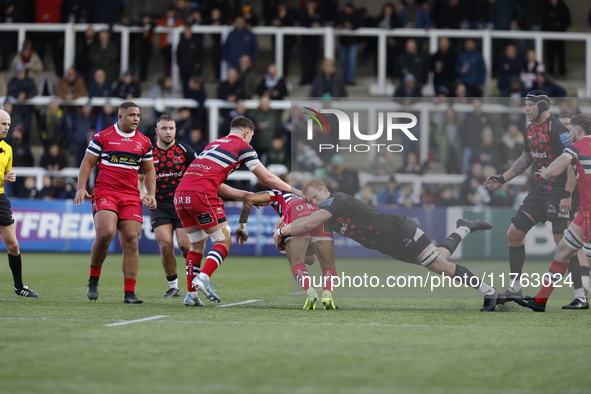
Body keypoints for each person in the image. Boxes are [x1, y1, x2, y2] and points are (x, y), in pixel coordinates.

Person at [275, 180, 498, 311]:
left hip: (400, 230)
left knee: (440, 266)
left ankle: (489, 292)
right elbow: (312, 258)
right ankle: (464, 228)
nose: (314, 203)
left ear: (324, 189)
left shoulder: (336, 199)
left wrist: (281, 231)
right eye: (310, 201)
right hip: (389, 246)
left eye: (315, 197)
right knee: (439, 259)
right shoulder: (327, 213)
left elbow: (310, 221)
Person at [174, 116, 296, 306]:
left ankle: (192, 295)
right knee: (223, 241)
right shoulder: (243, 146)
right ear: (247, 133)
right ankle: (203, 278)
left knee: (197, 245)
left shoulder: (212, 145)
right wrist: (294, 190)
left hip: (181, 196)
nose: (250, 141)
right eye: (251, 137)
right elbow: (267, 179)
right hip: (201, 195)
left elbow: (216, 183)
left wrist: (244, 194)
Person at [483, 90, 587, 309]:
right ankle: (514, 287)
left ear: (541, 106)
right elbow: (526, 158)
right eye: (526, 105)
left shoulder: (557, 127)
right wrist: (502, 179)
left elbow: (571, 158)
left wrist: (568, 194)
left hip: (558, 192)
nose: (527, 109)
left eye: (530, 105)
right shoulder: (530, 129)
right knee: (514, 233)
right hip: (538, 191)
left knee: (564, 243)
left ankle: (580, 296)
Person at [74, 102, 157, 304]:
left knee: (130, 238)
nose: (136, 118)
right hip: (106, 192)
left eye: (138, 115)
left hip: (130, 196)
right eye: (131, 115)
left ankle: (130, 293)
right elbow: (87, 162)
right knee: (105, 233)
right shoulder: (103, 137)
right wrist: (81, 187)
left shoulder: (144, 142)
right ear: (120, 117)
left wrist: (150, 194)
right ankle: (94, 278)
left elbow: (149, 171)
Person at [516, 114, 591, 311]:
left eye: (570, 130)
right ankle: (540, 300)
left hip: (589, 212)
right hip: (584, 213)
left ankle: (579, 296)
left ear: (578, 131)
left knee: (586, 260)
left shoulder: (574, 148)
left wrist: (544, 173)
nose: (568, 133)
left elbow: (552, 172)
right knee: (563, 251)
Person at [236, 190, 338, 309]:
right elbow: (310, 259)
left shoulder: (278, 194)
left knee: (297, 263)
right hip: (318, 218)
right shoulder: (308, 195)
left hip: (295, 216)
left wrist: (242, 227)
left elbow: (250, 198)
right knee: (327, 265)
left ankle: (310, 292)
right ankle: (327, 294)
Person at [145, 115, 197, 297]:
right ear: (157, 131)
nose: (168, 132)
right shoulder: (148, 152)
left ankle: (197, 281)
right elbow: (137, 177)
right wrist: (143, 194)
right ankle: (173, 286)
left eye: (171, 128)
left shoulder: (185, 151)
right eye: (164, 128)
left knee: (185, 246)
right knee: (166, 245)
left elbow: (198, 174)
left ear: (175, 130)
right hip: (159, 204)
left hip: (182, 204)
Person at [0, 109, 39, 297]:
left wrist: (9, 177)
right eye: (3, 124)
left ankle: (19, 286)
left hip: (0, 198)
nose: (6, 127)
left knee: (13, 245)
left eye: (8, 124)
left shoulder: (7, 148)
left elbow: (6, 173)